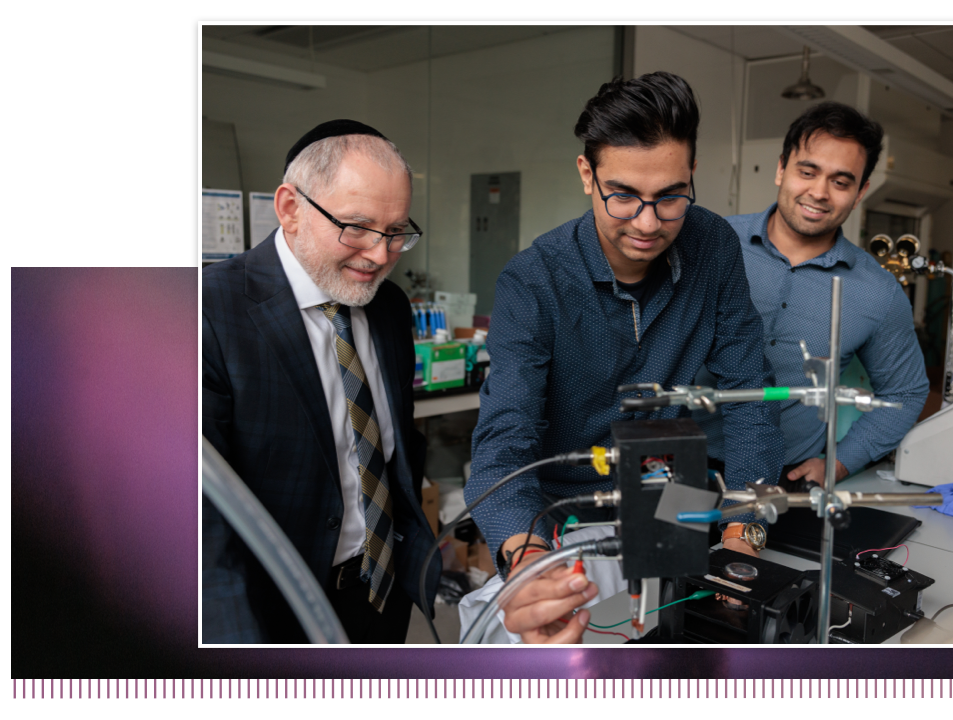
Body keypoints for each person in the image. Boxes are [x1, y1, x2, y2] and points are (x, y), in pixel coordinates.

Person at [464, 72, 785, 643]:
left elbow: (750, 397)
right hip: (563, 505)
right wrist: (527, 560)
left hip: (669, 488)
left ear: (692, 173)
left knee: (684, 641)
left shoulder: (712, 245)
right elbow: (503, 443)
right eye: (624, 195)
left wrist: (743, 533)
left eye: (671, 197)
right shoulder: (533, 281)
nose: (647, 222)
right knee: (549, 646)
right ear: (586, 175)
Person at [202, 120, 439, 643]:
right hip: (272, 612)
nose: (380, 255)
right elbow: (199, 523)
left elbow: (395, 445)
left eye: (396, 231)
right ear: (290, 208)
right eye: (356, 227)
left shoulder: (389, 306)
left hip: (381, 591)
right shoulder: (207, 312)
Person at [694, 101, 929, 490]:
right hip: (676, 460)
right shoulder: (711, 242)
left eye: (841, 182)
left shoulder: (879, 292)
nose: (819, 192)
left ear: (861, 192)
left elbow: (906, 392)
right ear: (781, 169)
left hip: (783, 479)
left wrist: (840, 463)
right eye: (807, 172)